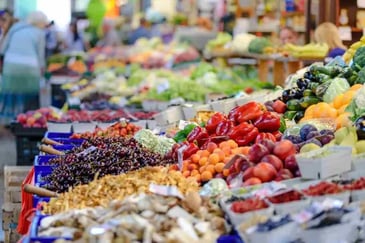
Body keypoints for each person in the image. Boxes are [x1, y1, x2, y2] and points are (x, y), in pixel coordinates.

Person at [0, 11, 47, 124]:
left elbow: (2, 49)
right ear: (40, 23)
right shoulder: (39, 33)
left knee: (12, 95)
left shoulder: (15, 28)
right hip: (30, 68)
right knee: (30, 97)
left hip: (10, 67)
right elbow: (40, 57)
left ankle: (9, 123)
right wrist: (43, 72)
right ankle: (29, 123)